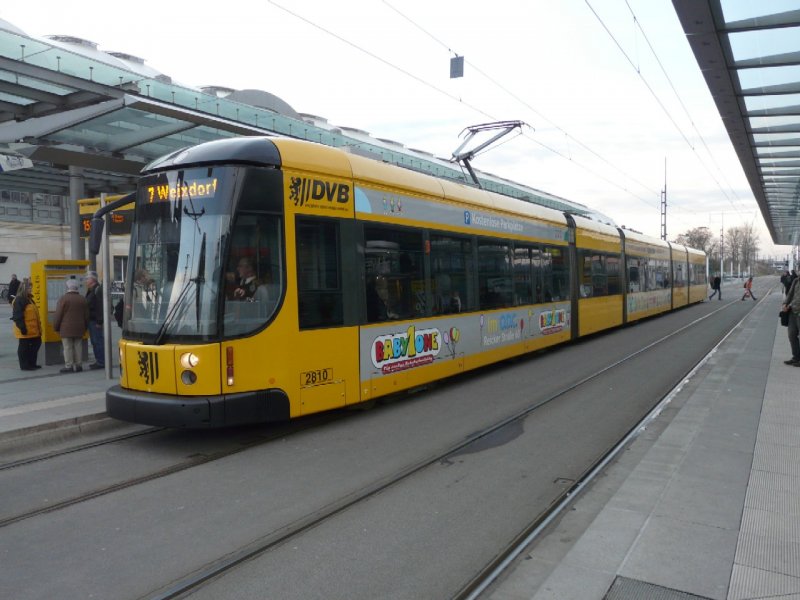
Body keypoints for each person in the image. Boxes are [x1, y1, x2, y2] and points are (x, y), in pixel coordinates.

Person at [53, 278, 89, 373]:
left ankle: (68, 366)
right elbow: (86, 315)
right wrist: (85, 327)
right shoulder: (82, 299)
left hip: (66, 328)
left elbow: (58, 315)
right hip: (79, 327)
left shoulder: (63, 299)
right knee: (78, 346)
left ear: (68, 287)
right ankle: (78, 365)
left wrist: (56, 327)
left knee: (67, 347)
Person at [11, 279, 42, 371]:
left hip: (33, 329)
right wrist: (22, 328)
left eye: (31, 288)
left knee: (36, 344)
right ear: (24, 289)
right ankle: (25, 365)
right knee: (24, 347)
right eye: (29, 288)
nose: (31, 289)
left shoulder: (29, 299)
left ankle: (32, 363)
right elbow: (18, 315)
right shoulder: (19, 300)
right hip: (25, 328)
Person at [85, 271, 105, 369]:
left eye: (87, 278)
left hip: (95, 321)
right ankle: (99, 360)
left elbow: (100, 306)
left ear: (92, 280)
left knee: (97, 341)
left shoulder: (97, 289)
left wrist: (99, 321)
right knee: (95, 341)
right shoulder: (91, 290)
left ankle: (101, 361)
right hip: (92, 320)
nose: (86, 280)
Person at [781, 275, 800, 366]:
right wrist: (785, 303)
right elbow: (790, 294)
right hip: (793, 313)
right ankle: (796, 357)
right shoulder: (796, 281)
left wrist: (790, 304)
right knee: (791, 335)